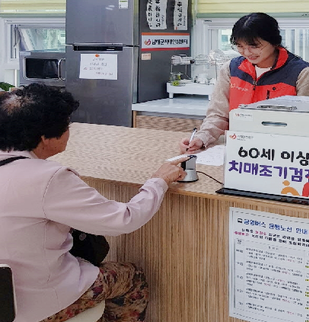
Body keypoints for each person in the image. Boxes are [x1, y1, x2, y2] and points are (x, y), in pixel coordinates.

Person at [0, 83, 187, 322]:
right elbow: (123, 220)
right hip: (29, 305)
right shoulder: (48, 178)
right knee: (132, 277)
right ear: (45, 137)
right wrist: (158, 181)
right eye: (67, 126)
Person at [180, 12, 309, 153]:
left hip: (284, 151)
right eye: (240, 46)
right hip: (240, 148)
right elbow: (218, 115)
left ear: (274, 42)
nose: (247, 53)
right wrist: (202, 138)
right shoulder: (231, 69)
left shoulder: (302, 73)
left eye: (254, 46)